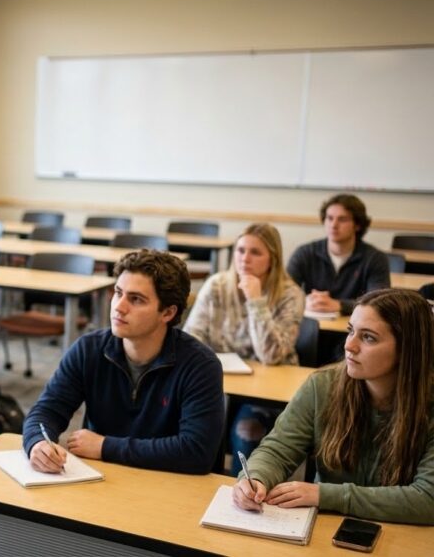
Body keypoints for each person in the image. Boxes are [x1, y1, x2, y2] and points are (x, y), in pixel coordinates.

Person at [233, 289, 434, 525]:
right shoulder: (322, 386)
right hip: (325, 528)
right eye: (351, 331)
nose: (350, 346)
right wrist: (256, 477)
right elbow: (277, 450)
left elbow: (427, 500)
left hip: (402, 535)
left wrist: (324, 495)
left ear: (407, 349)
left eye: (368, 337)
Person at [24, 250, 225, 475]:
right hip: (99, 477)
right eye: (118, 293)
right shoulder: (89, 349)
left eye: (136, 299)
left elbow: (197, 452)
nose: (119, 306)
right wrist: (37, 443)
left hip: (168, 484)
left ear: (167, 312)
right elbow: (47, 411)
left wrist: (105, 446)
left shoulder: (201, 365)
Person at [184, 223, 305, 475]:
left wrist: (256, 300)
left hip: (268, 390)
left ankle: (242, 493)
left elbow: (272, 355)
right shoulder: (217, 285)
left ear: (273, 258)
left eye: (255, 252)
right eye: (240, 250)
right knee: (196, 430)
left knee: (246, 432)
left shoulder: (290, 294)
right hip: (220, 380)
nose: (244, 259)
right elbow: (190, 339)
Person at [287, 194, 389, 316]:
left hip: (353, 329)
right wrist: (305, 301)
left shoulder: (375, 258)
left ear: (357, 225)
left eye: (342, 219)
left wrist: (339, 305)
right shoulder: (305, 253)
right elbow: (283, 294)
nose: (334, 225)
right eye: (329, 218)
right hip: (312, 325)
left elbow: (378, 302)